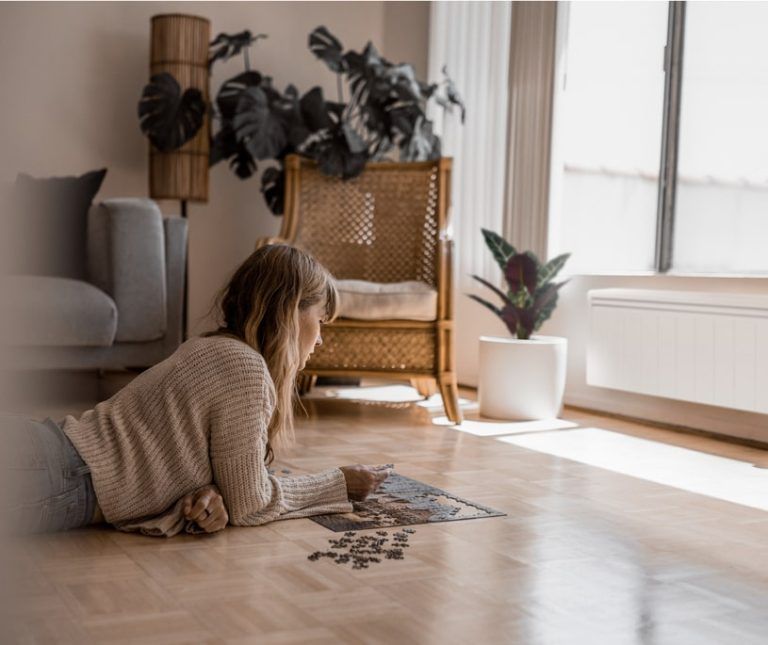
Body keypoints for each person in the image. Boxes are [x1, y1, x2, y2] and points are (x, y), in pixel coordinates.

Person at [1, 244, 391, 535]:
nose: (320, 339)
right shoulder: (245, 368)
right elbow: (250, 504)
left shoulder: (212, 348)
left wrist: (210, 493)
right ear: (290, 312)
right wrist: (339, 481)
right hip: (52, 471)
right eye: (321, 320)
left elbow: (189, 460)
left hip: (48, 461)